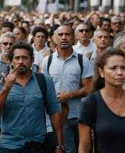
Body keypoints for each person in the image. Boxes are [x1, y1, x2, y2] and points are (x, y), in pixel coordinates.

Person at [0, 41, 64, 153]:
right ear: (11, 61)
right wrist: (6, 88)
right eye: (17, 58)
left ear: (32, 60)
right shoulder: (3, 83)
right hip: (10, 146)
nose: (21, 62)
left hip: (37, 144)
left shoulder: (43, 81)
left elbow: (54, 112)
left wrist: (59, 145)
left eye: (25, 58)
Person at [78, 48, 125, 153]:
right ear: (101, 71)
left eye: (123, 68)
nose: (119, 72)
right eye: (113, 68)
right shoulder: (91, 103)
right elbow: (84, 148)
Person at [42, 24, 93, 153]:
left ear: (73, 38)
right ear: (54, 38)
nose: (64, 37)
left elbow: (88, 88)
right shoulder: (47, 61)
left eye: (67, 34)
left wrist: (69, 95)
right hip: (55, 118)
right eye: (60, 35)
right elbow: (43, 90)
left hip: (79, 116)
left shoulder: (83, 61)